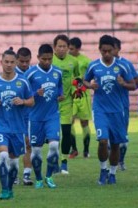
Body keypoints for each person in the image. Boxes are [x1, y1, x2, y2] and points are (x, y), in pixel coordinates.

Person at [0, 48, 34, 200]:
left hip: (18, 129)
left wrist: (23, 101)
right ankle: (4, 189)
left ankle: (10, 189)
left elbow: (32, 101)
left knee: (13, 162)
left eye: (12, 62)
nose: (9, 65)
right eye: (6, 62)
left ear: (16, 62)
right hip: (0, 127)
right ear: (1, 62)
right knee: (3, 155)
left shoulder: (23, 81)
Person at [83, 35, 135, 185]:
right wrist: (90, 85)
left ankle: (112, 173)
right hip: (100, 109)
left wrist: (123, 83)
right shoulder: (94, 66)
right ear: (99, 49)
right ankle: (103, 170)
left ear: (114, 50)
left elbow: (133, 85)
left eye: (109, 51)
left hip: (118, 110)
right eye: (103, 51)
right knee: (103, 141)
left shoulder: (122, 66)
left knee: (116, 143)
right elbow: (85, 80)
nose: (106, 54)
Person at [25, 44, 64, 189]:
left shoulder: (57, 72)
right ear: (38, 58)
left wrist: (60, 95)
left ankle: (49, 176)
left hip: (52, 116)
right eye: (44, 59)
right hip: (35, 118)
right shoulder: (30, 73)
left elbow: (59, 87)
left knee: (54, 145)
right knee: (36, 150)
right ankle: (39, 179)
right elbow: (22, 93)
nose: (47, 62)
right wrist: (35, 93)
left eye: (49, 59)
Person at [52, 34, 79, 174]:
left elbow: (77, 79)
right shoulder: (50, 61)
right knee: (54, 134)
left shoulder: (73, 62)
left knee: (66, 132)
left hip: (67, 102)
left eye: (64, 46)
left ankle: (64, 162)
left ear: (68, 48)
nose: (62, 49)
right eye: (59, 46)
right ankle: (54, 161)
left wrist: (76, 89)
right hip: (51, 104)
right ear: (54, 48)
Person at [113, 37, 138, 171]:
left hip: (122, 105)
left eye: (113, 48)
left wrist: (125, 84)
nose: (110, 52)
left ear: (118, 49)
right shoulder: (99, 64)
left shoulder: (125, 64)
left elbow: (136, 82)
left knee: (122, 134)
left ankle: (120, 161)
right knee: (107, 136)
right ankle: (110, 163)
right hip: (104, 107)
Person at [68, 37, 92, 158]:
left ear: (78, 48)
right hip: (69, 96)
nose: (69, 50)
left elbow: (92, 75)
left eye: (71, 48)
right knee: (69, 121)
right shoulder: (66, 60)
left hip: (83, 96)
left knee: (84, 123)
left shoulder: (86, 61)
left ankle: (86, 150)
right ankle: (74, 149)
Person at [13, 47, 33, 185]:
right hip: (14, 116)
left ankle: (26, 175)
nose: (25, 64)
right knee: (13, 146)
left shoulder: (34, 72)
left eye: (27, 61)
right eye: (22, 61)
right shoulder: (12, 73)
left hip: (30, 115)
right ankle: (14, 175)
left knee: (28, 144)